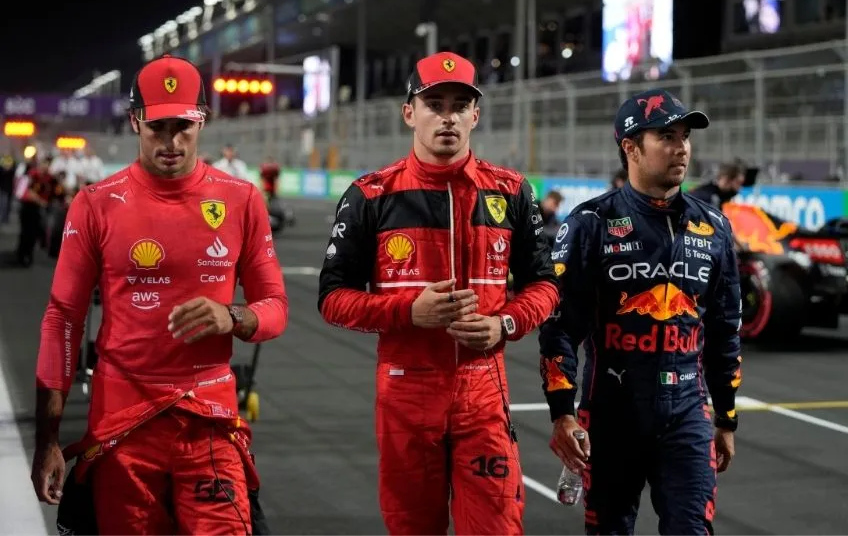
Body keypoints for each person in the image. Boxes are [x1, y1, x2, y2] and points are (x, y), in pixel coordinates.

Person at [31, 54, 288, 535]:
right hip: (121, 429)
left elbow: (275, 307)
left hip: (210, 423)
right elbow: (62, 317)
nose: (171, 142)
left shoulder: (242, 198)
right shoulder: (94, 204)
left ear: (203, 120)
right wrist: (48, 438)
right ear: (134, 121)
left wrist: (233, 316)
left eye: (184, 126)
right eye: (157, 127)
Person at [318, 51, 559, 535]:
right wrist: (410, 311)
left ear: (476, 114)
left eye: (459, 104)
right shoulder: (370, 195)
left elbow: (546, 285)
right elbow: (332, 300)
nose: (447, 116)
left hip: (483, 391)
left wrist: (503, 323)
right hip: (406, 395)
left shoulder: (512, 192)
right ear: (410, 112)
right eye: (434, 103)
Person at [538, 88, 742, 535]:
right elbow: (559, 329)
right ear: (630, 147)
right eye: (666, 136)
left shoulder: (715, 227)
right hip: (611, 414)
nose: (682, 147)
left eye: (685, 136)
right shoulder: (589, 224)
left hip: (688, 413)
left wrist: (726, 417)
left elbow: (726, 329)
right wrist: (562, 413)